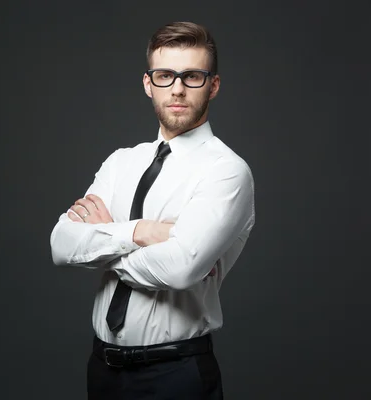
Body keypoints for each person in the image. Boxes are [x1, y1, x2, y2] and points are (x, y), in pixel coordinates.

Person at [49, 21, 255, 400]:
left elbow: (179, 269)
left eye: (192, 76)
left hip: (175, 374)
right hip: (102, 371)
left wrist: (103, 242)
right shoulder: (120, 163)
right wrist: (139, 232)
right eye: (165, 76)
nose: (177, 88)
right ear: (148, 84)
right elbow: (62, 245)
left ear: (214, 85)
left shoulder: (226, 170)